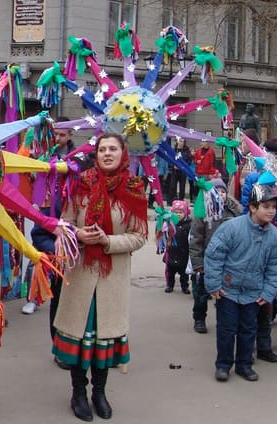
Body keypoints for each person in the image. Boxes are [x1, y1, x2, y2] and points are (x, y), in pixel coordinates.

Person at [54, 134, 146, 420]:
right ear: (97, 154)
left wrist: (108, 242)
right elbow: (64, 224)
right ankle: (78, 393)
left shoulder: (134, 188)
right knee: (81, 338)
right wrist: (78, 235)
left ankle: (99, 392)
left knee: (103, 338)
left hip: (112, 278)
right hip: (81, 273)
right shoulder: (81, 184)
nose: (107, 153)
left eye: (113, 149)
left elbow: (139, 236)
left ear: (123, 153)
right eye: (103, 149)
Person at [206, 180, 277, 383]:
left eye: (274, 208)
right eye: (266, 207)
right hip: (228, 290)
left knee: (248, 330)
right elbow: (214, 256)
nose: (271, 212)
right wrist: (214, 285)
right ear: (252, 207)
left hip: (253, 292)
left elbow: (275, 266)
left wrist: (268, 293)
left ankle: (244, 365)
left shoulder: (273, 235)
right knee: (226, 329)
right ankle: (223, 365)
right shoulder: (232, 227)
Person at [190, 175, 243, 334]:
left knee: (225, 293)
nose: (220, 194)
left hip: (229, 261)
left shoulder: (234, 210)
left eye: (223, 191)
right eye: (216, 191)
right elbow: (196, 240)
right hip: (208, 260)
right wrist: (198, 263)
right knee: (202, 292)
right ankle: (199, 318)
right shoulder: (203, 213)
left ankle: (225, 320)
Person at [165, 200, 192, 294]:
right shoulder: (170, 223)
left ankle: (184, 287)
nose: (178, 214)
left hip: (184, 252)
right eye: (176, 212)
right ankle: (169, 285)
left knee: (184, 274)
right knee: (170, 272)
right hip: (172, 252)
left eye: (180, 212)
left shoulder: (189, 224)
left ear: (185, 213)